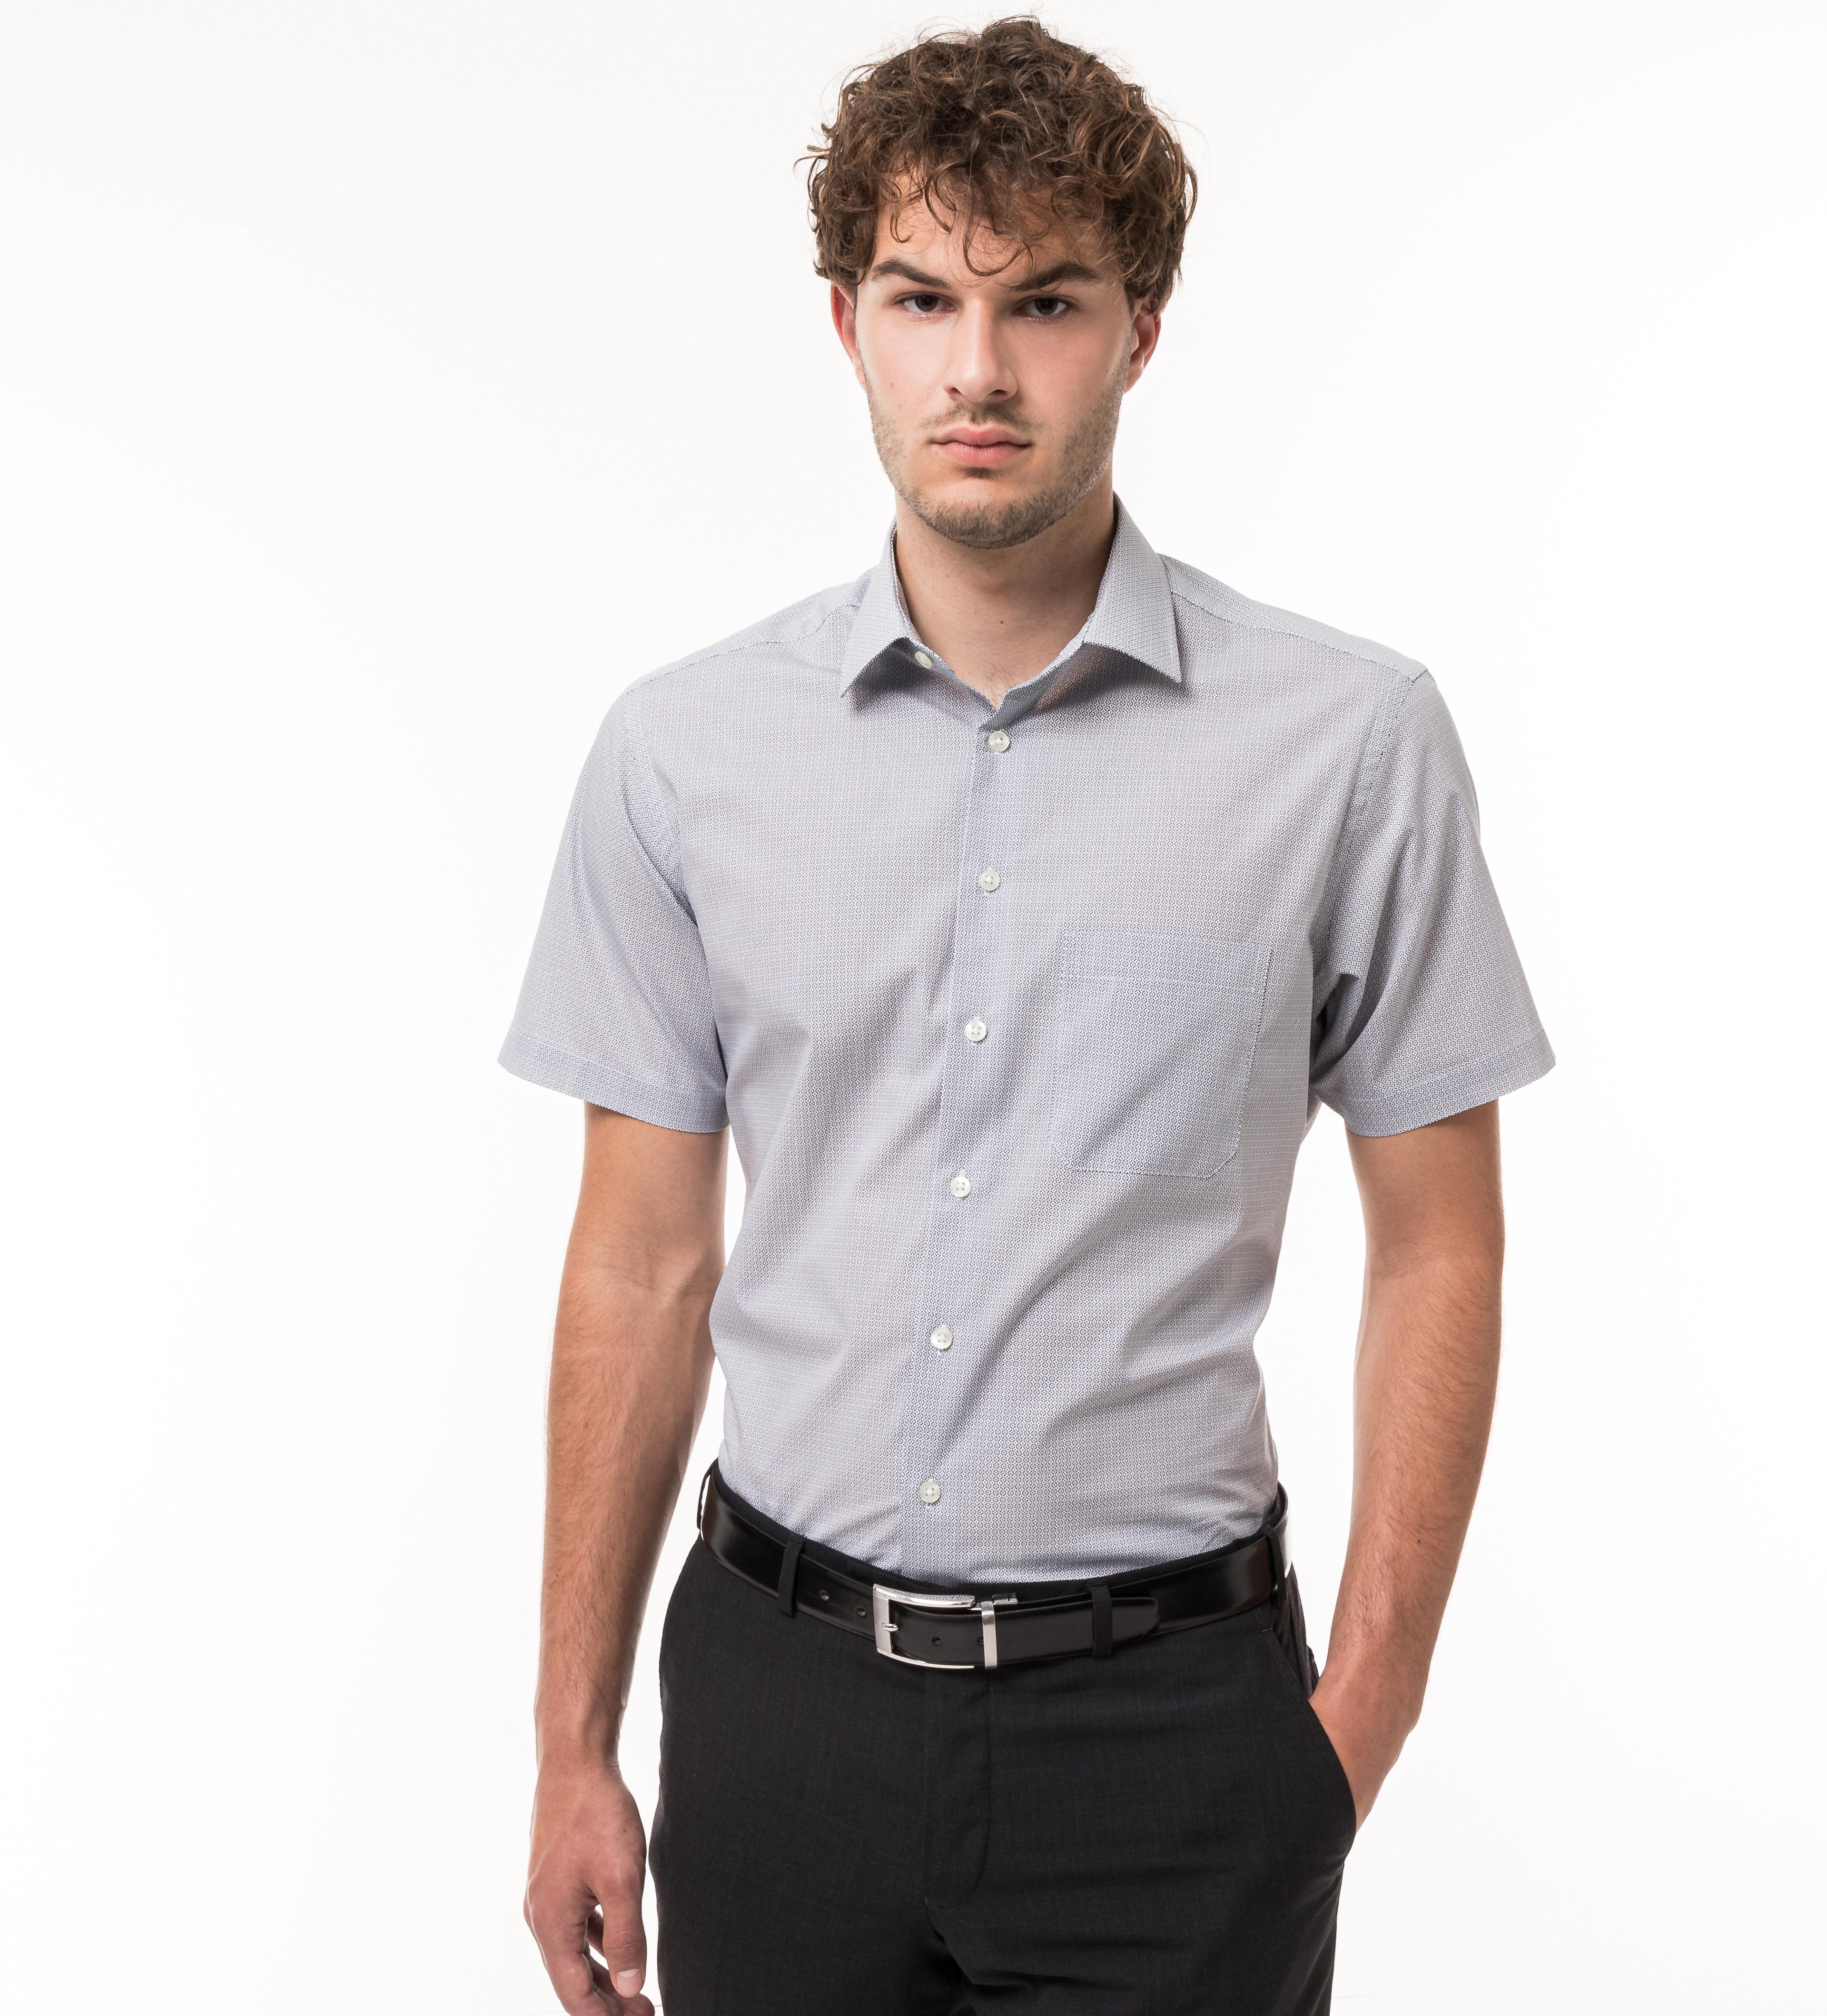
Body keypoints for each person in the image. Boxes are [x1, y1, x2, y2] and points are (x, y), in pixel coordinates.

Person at [502, 17, 1554, 2014]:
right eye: (924, 298)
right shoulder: (682, 755)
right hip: (778, 1717)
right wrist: (571, 1743)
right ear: (848, 325)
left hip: (1177, 1738)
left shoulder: (1350, 745)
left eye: (1045, 302)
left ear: (1140, 327)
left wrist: (1358, 1719)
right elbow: (639, 1266)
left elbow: (1441, 1241)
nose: (977, 369)